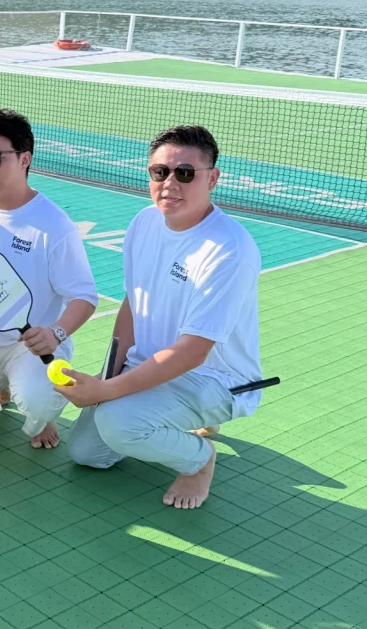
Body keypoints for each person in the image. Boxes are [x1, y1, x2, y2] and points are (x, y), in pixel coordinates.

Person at [61, 125, 262, 510]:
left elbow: (193, 352)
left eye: (185, 173)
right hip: (152, 365)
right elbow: (133, 304)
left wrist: (105, 393)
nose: (170, 183)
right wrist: (109, 377)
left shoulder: (230, 250)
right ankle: (174, 419)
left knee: (120, 423)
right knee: (87, 452)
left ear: (213, 179)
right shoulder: (144, 222)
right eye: (160, 171)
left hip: (214, 378)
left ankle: (199, 460)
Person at [0, 109, 98, 449]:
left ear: (25, 159)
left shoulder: (54, 225)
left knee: (38, 402)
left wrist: (56, 333)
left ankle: (42, 414)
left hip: (31, 348)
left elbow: (84, 297)